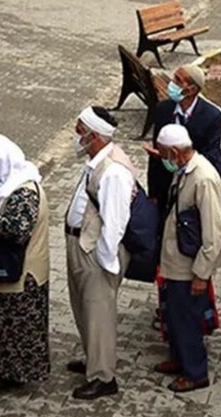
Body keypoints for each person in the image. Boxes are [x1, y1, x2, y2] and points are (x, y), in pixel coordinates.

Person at [0, 134, 51, 391]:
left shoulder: (23, 192)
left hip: (20, 274)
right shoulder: (4, 185)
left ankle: (9, 374)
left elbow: (17, 230)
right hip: (4, 271)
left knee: (13, 328)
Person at [64, 107, 137, 400]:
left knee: (99, 313)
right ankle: (93, 360)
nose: (76, 136)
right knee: (84, 308)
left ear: (94, 136)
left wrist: (106, 264)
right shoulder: (98, 162)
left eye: (80, 130)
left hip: (95, 252)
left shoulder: (114, 171)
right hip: (82, 243)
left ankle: (103, 376)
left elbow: (115, 223)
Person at [153, 124, 221, 393]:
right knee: (173, 316)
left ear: (174, 152)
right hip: (174, 260)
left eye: (163, 154)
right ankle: (179, 358)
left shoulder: (203, 178)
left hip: (189, 266)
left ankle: (195, 372)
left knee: (187, 321)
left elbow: (214, 233)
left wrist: (201, 274)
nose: (162, 159)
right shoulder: (184, 170)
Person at [146, 64, 221, 213]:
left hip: (190, 188)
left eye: (178, 80)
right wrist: (153, 193)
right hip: (165, 185)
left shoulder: (211, 117)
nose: (172, 83)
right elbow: (155, 156)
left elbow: (212, 157)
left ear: (191, 90)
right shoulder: (163, 110)